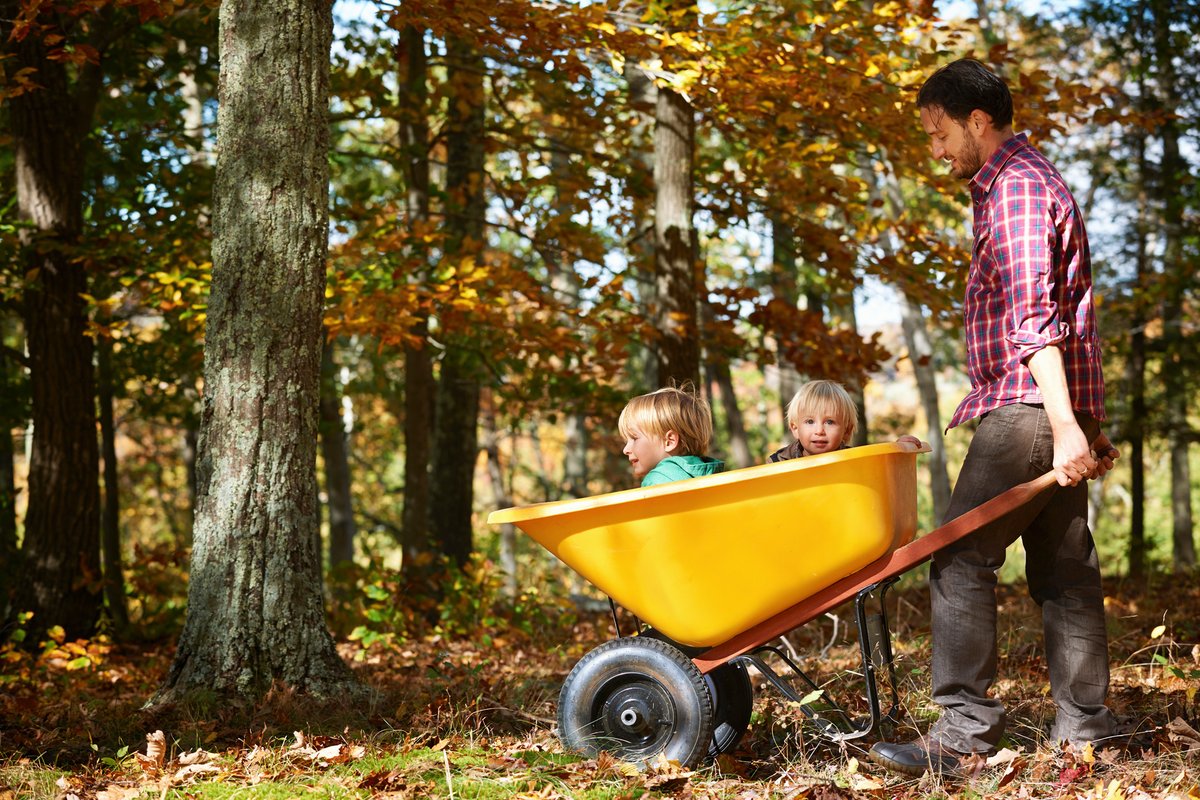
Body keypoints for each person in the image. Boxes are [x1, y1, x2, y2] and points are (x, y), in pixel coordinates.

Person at [870, 58, 1120, 777]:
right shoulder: (1031, 177)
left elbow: (1035, 319)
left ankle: (962, 733)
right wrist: (1082, 421)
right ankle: (1086, 727)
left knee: (958, 559)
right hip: (1053, 405)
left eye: (939, 133)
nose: (936, 150)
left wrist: (1068, 426)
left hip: (1027, 404)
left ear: (977, 120)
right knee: (1066, 570)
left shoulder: (1012, 187)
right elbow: (1073, 320)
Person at [768, 379, 922, 462]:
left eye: (830, 422)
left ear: (846, 430)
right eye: (810, 422)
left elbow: (883, 473)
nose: (819, 431)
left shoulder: (854, 462)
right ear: (795, 428)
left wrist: (899, 451)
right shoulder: (779, 463)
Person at [619, 386, 724, 487]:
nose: (625, 450)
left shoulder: (657, 481)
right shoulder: (712, 477)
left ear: (669, 441)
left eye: (634, 438)